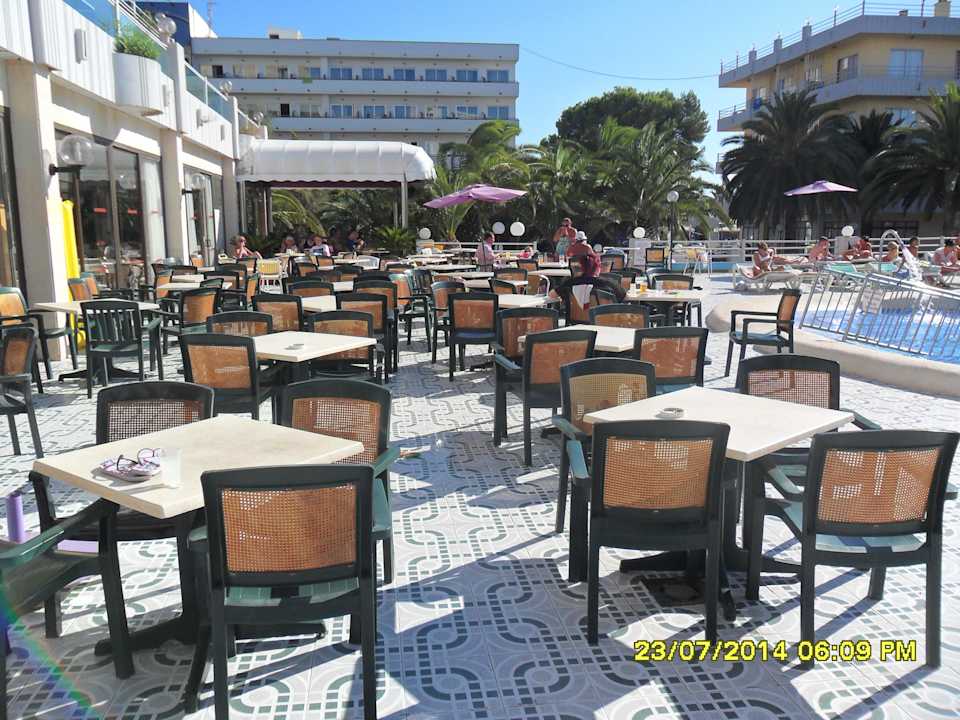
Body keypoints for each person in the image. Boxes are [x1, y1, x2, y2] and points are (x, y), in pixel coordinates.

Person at [549, 252, 626, 311]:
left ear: (581, 267)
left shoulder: (570, 283)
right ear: (598, 268)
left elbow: (552, 294)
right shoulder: (608, 283)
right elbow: (624, 296)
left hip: (576, 322)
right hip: (603, 321)